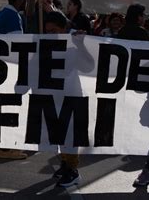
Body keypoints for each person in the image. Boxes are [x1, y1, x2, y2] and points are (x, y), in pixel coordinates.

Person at [0, 0, 32, 160]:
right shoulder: (12, 16)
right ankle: (7, 148)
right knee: (10, 106)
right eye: (25, 0)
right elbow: (18, 46)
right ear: (20, 0)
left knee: (3, 106)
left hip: (2, 67)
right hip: (9, 68)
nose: (25, 3)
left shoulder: (3, 13)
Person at [44, 11, 83, 187]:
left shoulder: (74, 41)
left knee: (70, 134)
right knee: (59, 133)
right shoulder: (45, 44)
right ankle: (65, 164)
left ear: (63, 28)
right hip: (54, 94)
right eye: (48, 31)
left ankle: (73, 170)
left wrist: (81, 44)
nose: (50, 34)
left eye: (54, 30)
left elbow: (89, 63)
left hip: (72, 94)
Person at [116, 4, 149, 187]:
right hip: (142, 83)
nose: (144, 18)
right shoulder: (141, 33)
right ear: (138, 17)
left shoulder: (122, 31)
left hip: (127, 81)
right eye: (143, 15)